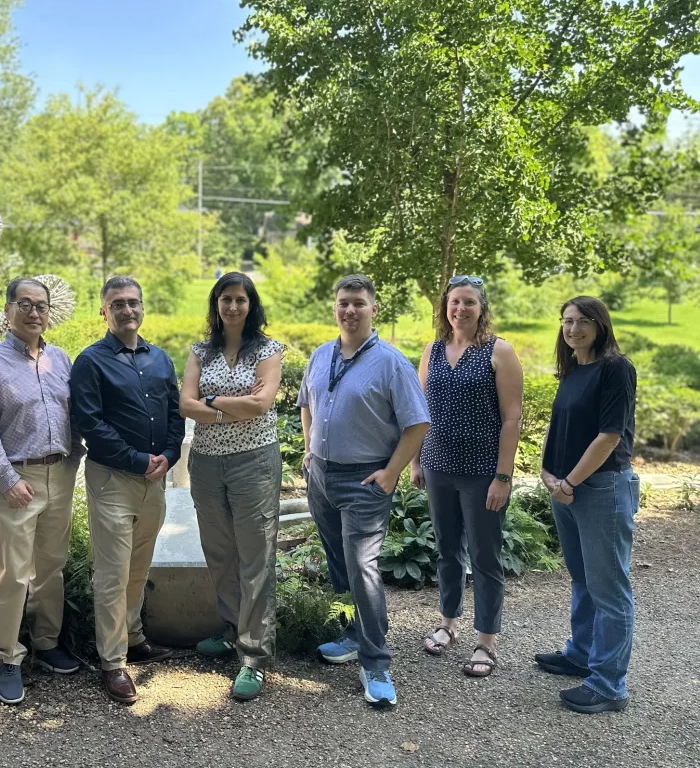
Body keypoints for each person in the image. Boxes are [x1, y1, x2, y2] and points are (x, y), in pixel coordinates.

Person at [298, 274, 430, 708]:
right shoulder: (321, 355)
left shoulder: (391, 362)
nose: (349, 310)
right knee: (338, 565)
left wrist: (392, 472)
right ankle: (350, 633)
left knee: (362, 567)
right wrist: (308, 451)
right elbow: (307, 405)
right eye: (343, 302)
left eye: (358, 303)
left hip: (365, 480)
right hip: (322, 477)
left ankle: (376, 662)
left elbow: (418, 423)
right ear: (334, 308)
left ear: (374, 309)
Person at [0, 277, 84, 706]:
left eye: (41, 306)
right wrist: (7, 479)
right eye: (25, 304)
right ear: (8, 310)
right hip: (15, 480)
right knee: (13, 573)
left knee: (50, 567)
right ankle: (7, 656)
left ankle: (46, 642)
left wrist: (74, 458)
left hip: (59, 475)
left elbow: (73, 416)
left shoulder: (61, 359)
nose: (34, 313)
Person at [69, 276, 185, 705]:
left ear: (142, 307)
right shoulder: (90, 362)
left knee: (139, 567)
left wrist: (169, 455)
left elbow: (175, 413)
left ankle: (133, 638)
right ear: (104, 311)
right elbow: (89, 422)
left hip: (155, 479)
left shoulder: (160, 359)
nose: (127, 310)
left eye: (133, 302)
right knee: (113, 573)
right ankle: (113, 662)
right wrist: (138, 461)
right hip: (113, 479)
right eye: (117, 303)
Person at [410, 276, 523, 677]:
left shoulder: (499, 351)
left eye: (469, 302)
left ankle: (486, 641)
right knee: (447, 550)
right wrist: (416, 461)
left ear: (481, 308)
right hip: (438, 465)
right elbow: (420, 410)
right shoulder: (433, 350)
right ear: (446, 307)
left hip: (482, 472)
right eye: (454, 302)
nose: (460, 309)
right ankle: (448, 624)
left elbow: (511, 419)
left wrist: (503, 476)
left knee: (485, 555)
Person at [179, 272, 284, 701]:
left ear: (251, 304)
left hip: (254, 462)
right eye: (226, 299)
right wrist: (229, 408)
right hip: (206, 464)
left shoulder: (268, 350)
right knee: (220, 552)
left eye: (241, 299)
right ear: (216, 304)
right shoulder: (200, 351)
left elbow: (261, 403)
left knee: (255, 555)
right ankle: (232, 630)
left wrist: (212, 403)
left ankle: (254, 656)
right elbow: (184, 404)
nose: (233, 306)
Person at [537, 296, 639, 714]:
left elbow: (609, 437)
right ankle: (581, 654)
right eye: (567, 321)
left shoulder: (616, 368)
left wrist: (569, 482)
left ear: (600, 325)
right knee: (582, 579)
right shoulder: (573, 370)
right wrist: (547, 472)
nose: (573, 329)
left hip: (601, 489)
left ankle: (609, 685)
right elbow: (558, 425)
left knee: (609, 589)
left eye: (582, 321)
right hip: (567, 488)